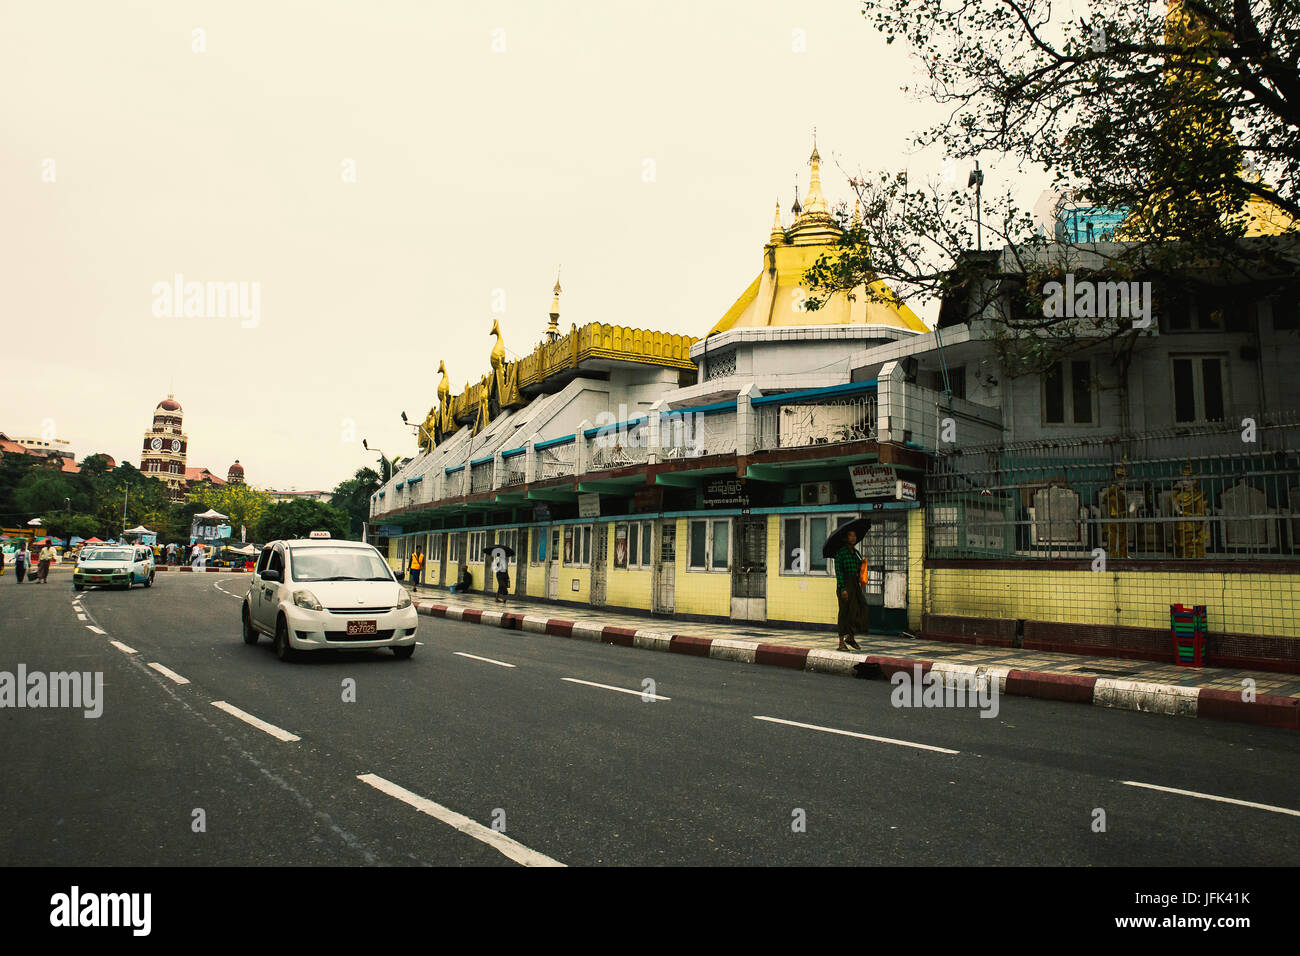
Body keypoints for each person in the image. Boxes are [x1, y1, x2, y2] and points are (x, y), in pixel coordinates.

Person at [833, 529, 868, 652]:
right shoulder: (841, 553)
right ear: (845, 539)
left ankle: (851, 637)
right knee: (844, 612)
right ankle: (841, 642)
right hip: (845, 584)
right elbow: (839, 572)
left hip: (855, 584)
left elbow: (859, 569)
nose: (853, 538)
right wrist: (843, 588)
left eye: (854, 535)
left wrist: (863, 565)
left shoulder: (856, 553)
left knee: (861, 607)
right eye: (850, 535)